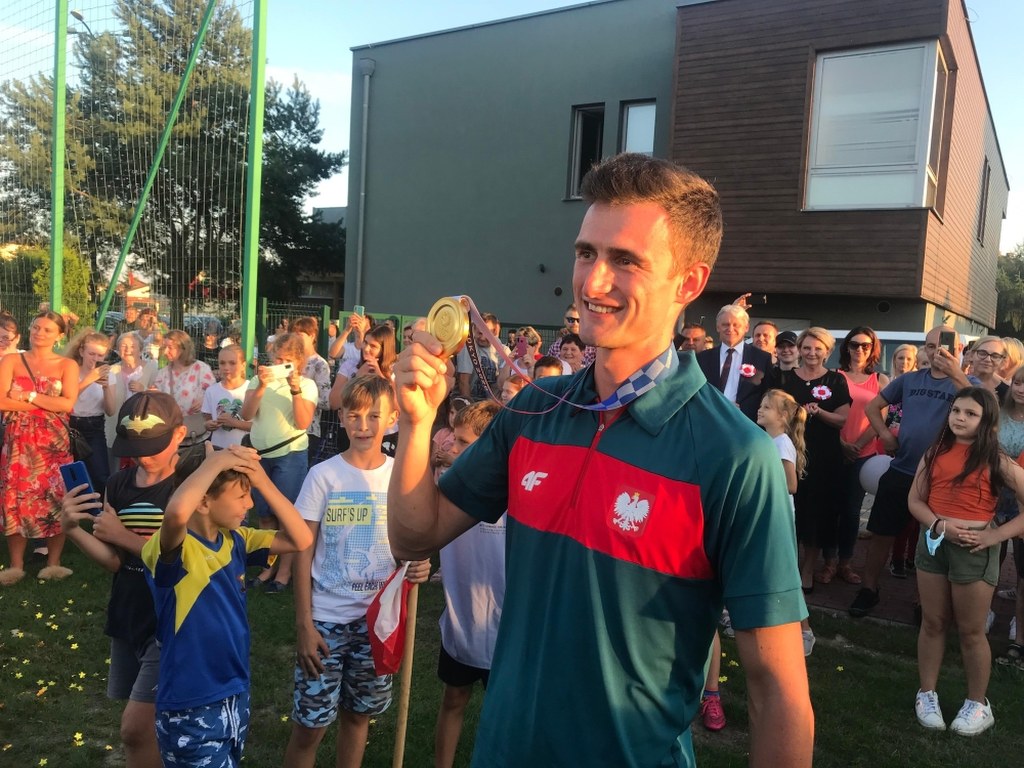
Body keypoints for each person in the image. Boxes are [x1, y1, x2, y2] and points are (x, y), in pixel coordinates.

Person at [389, 153, 812, 767]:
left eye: (625, 260)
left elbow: (778, 695)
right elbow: (414, 536)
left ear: (688, 283)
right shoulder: (534, 410)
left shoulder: (735, 455)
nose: (591, 283)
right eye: (586, 252)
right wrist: (415, 424)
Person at [283, 376, 429, 768]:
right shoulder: (323, 476)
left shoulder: (403, 476)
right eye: (355, 415)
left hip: (379, 622)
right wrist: (304, 623)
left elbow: (412, 538)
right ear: (342, 416)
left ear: (393, 419)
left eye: (374, 416)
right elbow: (302, 549)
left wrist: (419, 562)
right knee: (310, 726)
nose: (363, 425)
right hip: (326, 620)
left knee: (358, 716)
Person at [141, 446, 313, 767]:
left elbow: (300, 538)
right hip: (190, 703)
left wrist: (261, 481)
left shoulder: (238, 539)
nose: (250, 505)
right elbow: (176, 514)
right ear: (204, 502)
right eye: (241, 496)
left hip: (234, 690)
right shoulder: (174, 549)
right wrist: (217, 461)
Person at [60, 391, 188, 768]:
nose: (144, 457)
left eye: (153, 446)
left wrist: (124, 536)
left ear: (180, 434)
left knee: (135, 729)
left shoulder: (189, 488)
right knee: (150, 726)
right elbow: (116, 562)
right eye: (135, 448)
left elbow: (186, 563)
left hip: (173, 621)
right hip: (129, 614)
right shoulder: (117, 484)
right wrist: (72, 530)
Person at [909, 386, 1024, 735]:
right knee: (933, 622)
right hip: (934, 544)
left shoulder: (996, 460)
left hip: (974, 551)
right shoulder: (935, 452)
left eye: (970, 413)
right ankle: (926, 693)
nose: (960, 418)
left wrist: (994, 536)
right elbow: (916, 501)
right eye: (956, 410)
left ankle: (978, 703)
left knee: (971, 631)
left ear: (986, 420)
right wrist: (939, 525)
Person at [849, 326, 973, 618]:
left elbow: (980, 411)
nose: (936, 351)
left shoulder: (966, 384)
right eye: (930, 346)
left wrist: (957, 374)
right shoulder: (909, 379)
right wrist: (885, 435)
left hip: (940, 477)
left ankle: (923, 601)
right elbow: (874, 407)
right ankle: (869, 589)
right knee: (881, 532)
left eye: (944, 346)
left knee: (931, 540)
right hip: (901, 469)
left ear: (957, 349)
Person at [767, 327, 850, 592]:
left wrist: (819, 412)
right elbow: (773, 413)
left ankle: (807, 570)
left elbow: (842, 419)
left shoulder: (836, 380)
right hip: (789, 454)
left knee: (816, 515)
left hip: (823, 458)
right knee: (789, 511)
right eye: (806, 347)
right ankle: (787, 566)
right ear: (799, 350)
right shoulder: (784, 378)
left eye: (818, 348)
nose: (811, 353)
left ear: (827, 351)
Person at [0, 310, 80, 585]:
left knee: (56, 498)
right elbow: (2, 401)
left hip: (53, 443)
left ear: (59, 335)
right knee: (15, 498)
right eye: (36, 327)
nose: (39, 333)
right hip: (18, 440)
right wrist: (45, 403)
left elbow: (67, 404)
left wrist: (28, 395)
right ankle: (16, 565)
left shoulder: (67, 365)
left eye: (47, 329)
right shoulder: (11, 360)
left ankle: (53, 563)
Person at [240, 332, 317, 593]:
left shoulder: (307, 385)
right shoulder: (257, 380)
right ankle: (268, 566)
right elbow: (246, 414)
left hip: (290, 455)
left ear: (299, 362)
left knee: (286, 515)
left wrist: (295, 389)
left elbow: (303, 422)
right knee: (264, 515)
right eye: (277, 358)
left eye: (286, 360)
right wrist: (261, 386)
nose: (279, 363)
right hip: (260, 455)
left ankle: (284, 573)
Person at [757, 389, 814, 655]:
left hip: (778, 517)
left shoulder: (780, 443)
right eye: (761, 405)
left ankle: (804, 632)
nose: (760, 409)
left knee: (786, 573)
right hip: (768, 514)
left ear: (782, 417)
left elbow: (791, 485)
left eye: (767, 407)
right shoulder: (768, 439)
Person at [831, 327, 889, 585]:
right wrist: (842, 444)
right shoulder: (835, 376)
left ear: (873, 349)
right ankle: (829, 561)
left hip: (863, 454)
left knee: (852, 510)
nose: (859, 350)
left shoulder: (880, 380)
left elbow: (880, 420)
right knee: (831, 508)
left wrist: (855, 446)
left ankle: (845, 562)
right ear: (847, 347)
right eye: (855, 344)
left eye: (866, 345)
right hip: (834, 449)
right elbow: (827, 412)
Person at [695, 304, 771, 421]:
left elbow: (767, 394)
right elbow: (697, 392)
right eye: (725, 324)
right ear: (717, 327)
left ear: (746, 327)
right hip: (709, 419)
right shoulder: (703, 358)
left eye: (736, 325)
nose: (730, 329)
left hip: (746, 422)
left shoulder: (762, 358)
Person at [65, 329, 113, 496]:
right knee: (71, 471)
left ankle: (100, 507)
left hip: (94, 425)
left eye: (100, 355)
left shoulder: (108, 374)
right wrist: (89, 379)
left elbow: (111, 410)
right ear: (81, 352)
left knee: (100, 474)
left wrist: (106, 388)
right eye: (91, 354)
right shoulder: (72, 371)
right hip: (71, 424)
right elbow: (68, 399)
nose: (95, 359)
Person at [152, 329, 215, 441]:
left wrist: (204, 400)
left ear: (183, 348)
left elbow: (214, 394)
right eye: (164, 347)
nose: (165, 351)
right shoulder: (163, 373)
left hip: (197, 432)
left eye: (170, 347)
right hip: (171, 435)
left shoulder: (201, 369)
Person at [105, 332, 158, 465]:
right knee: (114, 469)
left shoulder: (152, 368)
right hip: (115, 430)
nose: (128, 350)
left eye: (133, 346)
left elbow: (159, 397)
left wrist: (143, 389)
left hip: (142, 431)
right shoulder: (111, 371)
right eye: (123, 346)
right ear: (118, 350)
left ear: (140, 349)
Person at [290, 317, 332, 463]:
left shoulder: (320, 364)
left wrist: (301, 394)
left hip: (308, 430)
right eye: (293, 335)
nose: (296, 339)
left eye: (300, 335)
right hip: (284, 427)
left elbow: (326, 401)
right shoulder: (288, 361)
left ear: (312, 336)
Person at [202, 345, 251, 450]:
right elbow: (207, 419)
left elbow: (259, 427)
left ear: (243, 365)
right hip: (218, 449)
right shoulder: (211, 391)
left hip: (244, 451)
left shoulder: (251, 389)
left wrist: (234, 422)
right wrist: (209, 425)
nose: (226, 367)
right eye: (222, 363)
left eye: (232, 363)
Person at [455, 312, 501, 401]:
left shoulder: (498, 346)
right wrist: (468, 405)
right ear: (474, 329)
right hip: (471, 399)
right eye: (480, 333)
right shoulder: (469, 346)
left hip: (490, 402)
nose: (482, 338)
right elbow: (463, 381)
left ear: (495, 332)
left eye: (487, 334)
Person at [547, 303, 597, 368]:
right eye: (571, 320)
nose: (575, 323)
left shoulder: (593, 346)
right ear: (564, 320)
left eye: (579, 320)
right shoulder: (555, 347)